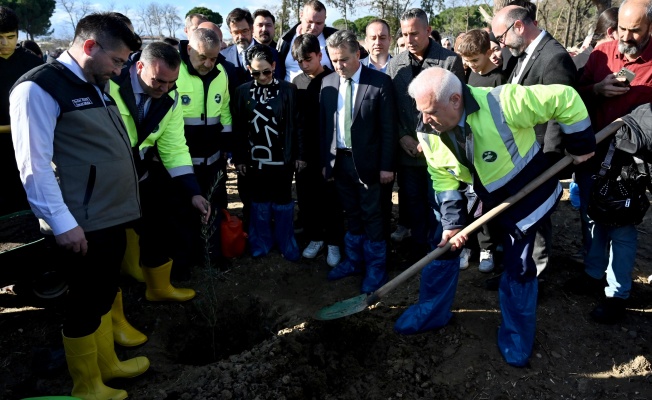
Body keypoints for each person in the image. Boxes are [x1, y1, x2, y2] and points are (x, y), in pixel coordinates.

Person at [396, 67, 595, 367]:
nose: (424, 119)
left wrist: (581, 145)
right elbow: (442, 176)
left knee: (520, 267)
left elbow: (565, 97)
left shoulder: (504, 103)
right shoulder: (428, 129)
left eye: (431, 111)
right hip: (483, 194)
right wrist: (452, 224)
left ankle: (517, 337)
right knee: (443, 248)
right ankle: (431, 312)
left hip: (526, 195)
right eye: (421, 111)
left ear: (455, 100)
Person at [9, 13, 148, 399]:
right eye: (118, 61)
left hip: (109, 216)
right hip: (81, 224)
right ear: (90, 46)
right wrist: (62, 223)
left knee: (103, 293)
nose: (120, 70)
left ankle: (108, 366)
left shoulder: (94, 81)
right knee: (84, 303)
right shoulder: (38, 88)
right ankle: (88, 386)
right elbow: (33, 166)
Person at [569, 0, 652, 319]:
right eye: (623, 29)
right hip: (593, 153)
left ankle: (618, 294)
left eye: (635, 30)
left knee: (622, 227)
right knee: (591, 216)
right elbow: (575, 94)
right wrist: (597, 89)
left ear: (649, 29)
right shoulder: (602, 52)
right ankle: (593, 274)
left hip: (632, 163)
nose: (627, 37)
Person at [109, 41, 207, 309]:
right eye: (159, 81)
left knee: (158, 225)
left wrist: (193, 191)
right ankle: (113, 316)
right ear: (139, 66)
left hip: (139, 175)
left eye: (172, 82)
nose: (165, 89)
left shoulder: (170, 98)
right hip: (105, 180)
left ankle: (159, 287)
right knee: (107, 247)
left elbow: (174, 147)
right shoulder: (109, 85)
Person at [491, 5, 577, 282]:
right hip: (519, 153)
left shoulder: (554, 58)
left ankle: (535, 278)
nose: (501, 44)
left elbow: (559, 114)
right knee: (520, 214)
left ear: (519, 26)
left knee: (537, 218)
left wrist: (548, 163)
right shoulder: (521, 55)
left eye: (501, 36)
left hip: (539, 157)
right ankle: (514, 270)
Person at [387, 8, 465, 266]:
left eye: (414, 34)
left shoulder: (449, 61)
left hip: (440, 150)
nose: (409, 40)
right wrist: (402, 138)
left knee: (439, 202)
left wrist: (430, 138)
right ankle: (419, 247)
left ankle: (438, 249)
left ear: (428, 31)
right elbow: (392, 108)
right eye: (404, 34)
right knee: (412, 201)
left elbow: (456, 107)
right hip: (408, 150)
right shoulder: (395, 64)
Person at [321, 30, 397, 293]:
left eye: (343, 59)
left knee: (373, 214)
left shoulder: (379, 82)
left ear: (357, 54)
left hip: (370, 164)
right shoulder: (328, 82)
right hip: (339, 162)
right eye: (334, 60)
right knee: (351, 212)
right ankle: (354, 261)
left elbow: (388, 128)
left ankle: (376, 267)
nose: (339, 65)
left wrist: (387, 165)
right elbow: (325, 126)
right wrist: (326, 161)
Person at [232, 44, 303, 261]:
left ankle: (285, 241)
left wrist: (299, 154)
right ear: (248, 69)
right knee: (258, 201)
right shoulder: (242, 91)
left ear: (274, 66)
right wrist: (240, 157)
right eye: (255, 72)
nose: (262, 76)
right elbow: (238, 127)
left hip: (282, 156)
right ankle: (260, 242)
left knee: (283, 200)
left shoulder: (288, 90)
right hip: (255, 158)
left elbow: (297, 124)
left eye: (266, 71)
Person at [176, 28, 232, 269]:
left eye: (213, 58)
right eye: (203, 57)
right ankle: (185, 261)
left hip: (214, 160)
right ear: (189, 49)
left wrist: (228, 145)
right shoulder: (175, 72)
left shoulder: (221, 73)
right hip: (183, 162)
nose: (209, 63)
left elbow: (225, 110)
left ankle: (213, 257)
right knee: (184, 213)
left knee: (215, 208)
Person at [453, 28, 507, 273]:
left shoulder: (499, 79)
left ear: (489, 53)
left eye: (475, 60)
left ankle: (487, 247)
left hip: (492, 151)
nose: (471, 65)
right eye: (466, 61)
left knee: (486, 202)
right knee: (468, 200)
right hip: (470, 148)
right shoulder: (468, 78)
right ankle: (468, 246)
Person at [291, 33, 344, 267]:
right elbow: (297, 121)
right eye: (299, 61)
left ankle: (334, 242)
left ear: (320, 55)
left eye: (308, 59)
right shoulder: (297, 82)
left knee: (330, 200)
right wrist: (299, 154)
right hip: (305, 153)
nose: (304, 65)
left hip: (330, 152)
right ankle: (316, 237)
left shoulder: (335, 80)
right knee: (307, 198)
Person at [0, 6, 43, 215]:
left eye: (10, 36)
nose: (4, 44)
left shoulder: (33, 63)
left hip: (28, 146)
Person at [277, 0, 336, 82]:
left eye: (319, 23)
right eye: (310, 22)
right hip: (291, 93)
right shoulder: (285, 40)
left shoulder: (335, 39)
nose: (313, 27)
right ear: (301, 16)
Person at [222, 8, 282, 86]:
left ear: (252, 29)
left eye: (244, 31)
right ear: (231, 32)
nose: (240, 37)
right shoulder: (223, 56)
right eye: (236, 32)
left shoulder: (272, 53)